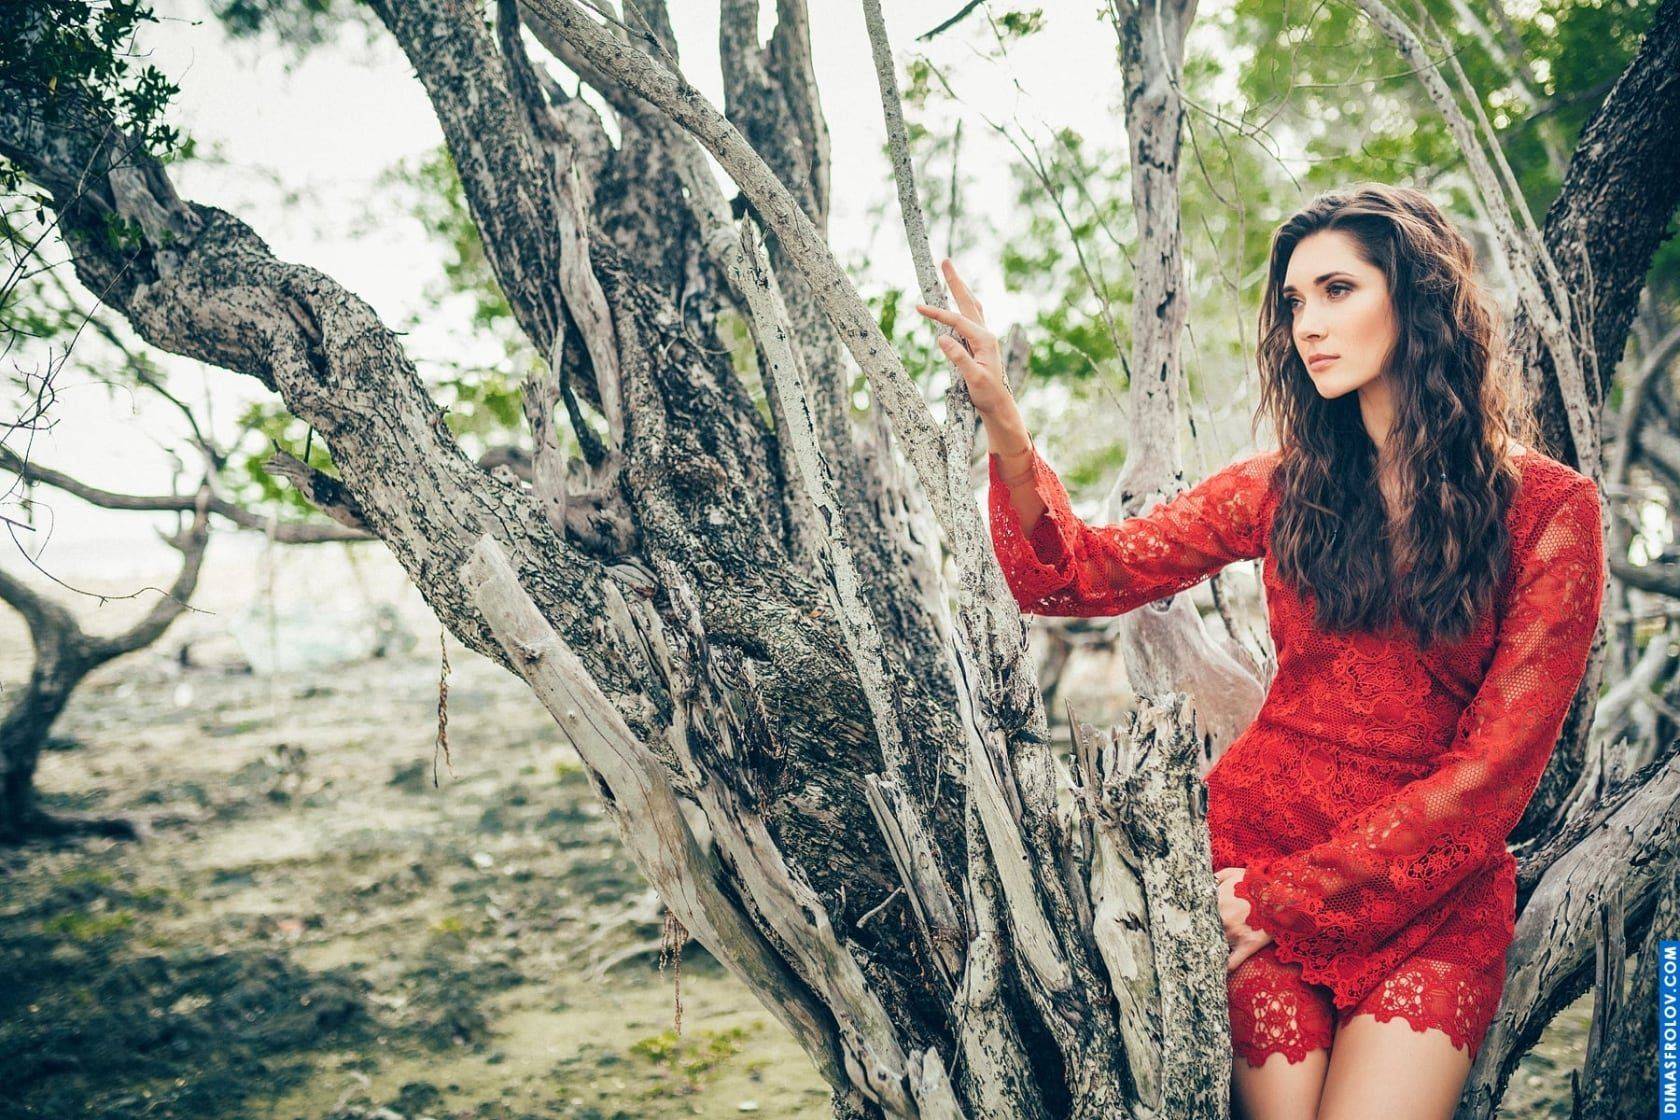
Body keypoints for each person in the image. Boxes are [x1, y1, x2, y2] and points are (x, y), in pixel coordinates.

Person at [914, 182, 1607, 1120]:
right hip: (1256, 848)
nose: (1306, 325)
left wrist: (1285, 900)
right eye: (1292, 302)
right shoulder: (1288, 487)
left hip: (1427, 892)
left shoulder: (1552, 511)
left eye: (1337, 290)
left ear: (1418, 297)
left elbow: (1493, 774)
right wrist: (1003, 419)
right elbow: (1076, 577)